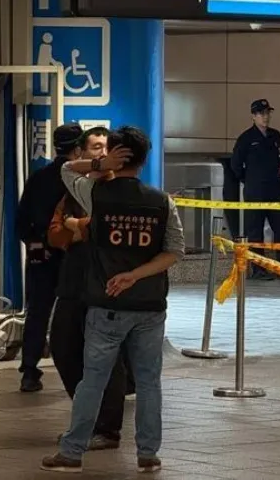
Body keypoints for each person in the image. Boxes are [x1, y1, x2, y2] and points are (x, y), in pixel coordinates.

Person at [41, 126, 185, 474]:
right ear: (145, 160)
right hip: (150, 306)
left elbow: (64, 170)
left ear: (116, 156)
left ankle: (72, 452)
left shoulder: (97, 195)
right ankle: (148, 453)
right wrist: (136, 275)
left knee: (93, 379)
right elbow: (174, 252)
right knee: (149, 381)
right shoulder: (161, 201)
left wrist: (98, 163)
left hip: (107, 305)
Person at [46, 126, 128, 451]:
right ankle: (87, 416)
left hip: (106, 284)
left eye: (106, 147)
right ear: (82, 152)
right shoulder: (74, 189)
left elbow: (105, 230)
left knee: (107, 355)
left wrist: (77, 226)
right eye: (95, 147)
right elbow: (54, 234)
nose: (100, 153)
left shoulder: (121, 190)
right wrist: (75, 230)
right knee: (63, 346)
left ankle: (107, 429)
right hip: (72, 283)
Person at [16, 123, 84, 393]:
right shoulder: (80, 180)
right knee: (79, 313)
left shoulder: (39, 178)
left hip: (40, 257)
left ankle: (29, 371)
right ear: (78, 148)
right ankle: (80, 371)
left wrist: (35, 244)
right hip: (73, 257)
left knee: (38, 313)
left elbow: (21, 221)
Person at [230, 99, 280, 278]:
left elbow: (279, 159)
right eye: (261, 114)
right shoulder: (246, 139)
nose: (265, 117)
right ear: (253, 116)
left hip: (274, 190)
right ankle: (258, 269)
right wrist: (249, 181)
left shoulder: (275, 136)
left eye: (267, 113)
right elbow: (236, 165)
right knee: (255, 230)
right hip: (255, 192)